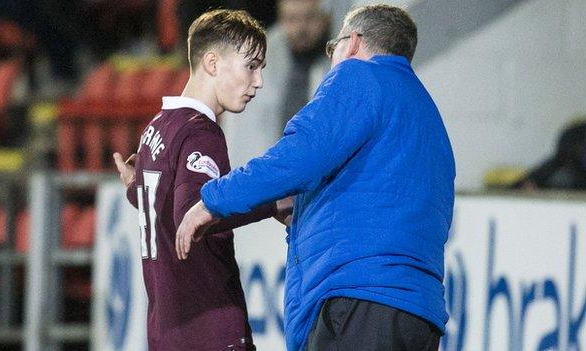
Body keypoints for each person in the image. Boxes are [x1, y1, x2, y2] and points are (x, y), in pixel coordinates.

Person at [176, 4, 455, 351]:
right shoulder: (426, 112)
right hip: (418, 315)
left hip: (359, 301)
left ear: (351, 43)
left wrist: (214, 198)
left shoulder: (359, 75)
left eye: (334, 46)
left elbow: (301, 153)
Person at [113, 9, 291, 350]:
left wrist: (137, 188)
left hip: (166, 331)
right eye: (251, 66)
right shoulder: (200, 133)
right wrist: (273, 202)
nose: (259, 82)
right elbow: (193, 213)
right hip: (209, 326)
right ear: (212, 63)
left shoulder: (157, 126)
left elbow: (163, 201)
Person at [222, 0, 331, 167]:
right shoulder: (257, 57)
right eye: (292, 19)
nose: (301, 29)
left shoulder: (342, 59)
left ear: (325, 19)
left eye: (310, 18)